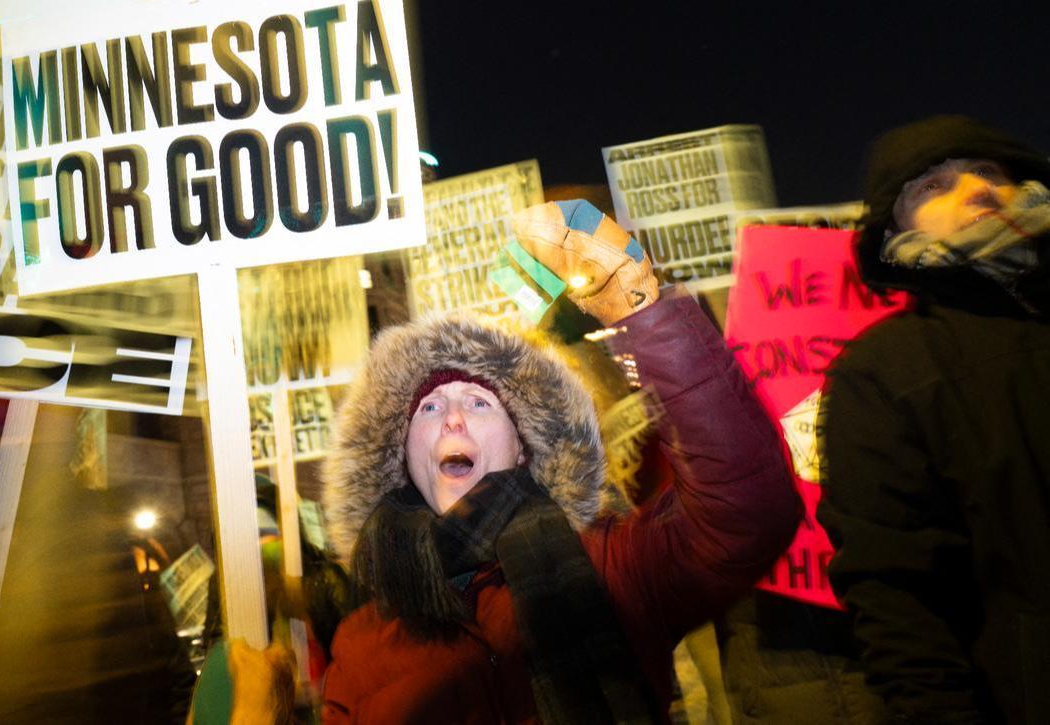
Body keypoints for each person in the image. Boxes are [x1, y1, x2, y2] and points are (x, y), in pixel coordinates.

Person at [320, 200, 801, 723]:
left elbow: (749, 513)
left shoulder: (612, 566)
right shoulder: (358, 646)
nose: (453, 419)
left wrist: (638, 304)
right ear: (403, 457)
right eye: (430, 408)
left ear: (522, 446)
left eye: (479, 403)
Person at [818, 116, 1050, 723]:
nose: (974, 189)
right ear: (895, 228)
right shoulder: (884, 372)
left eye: (989, 171)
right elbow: (897, 599)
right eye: (932, 186)